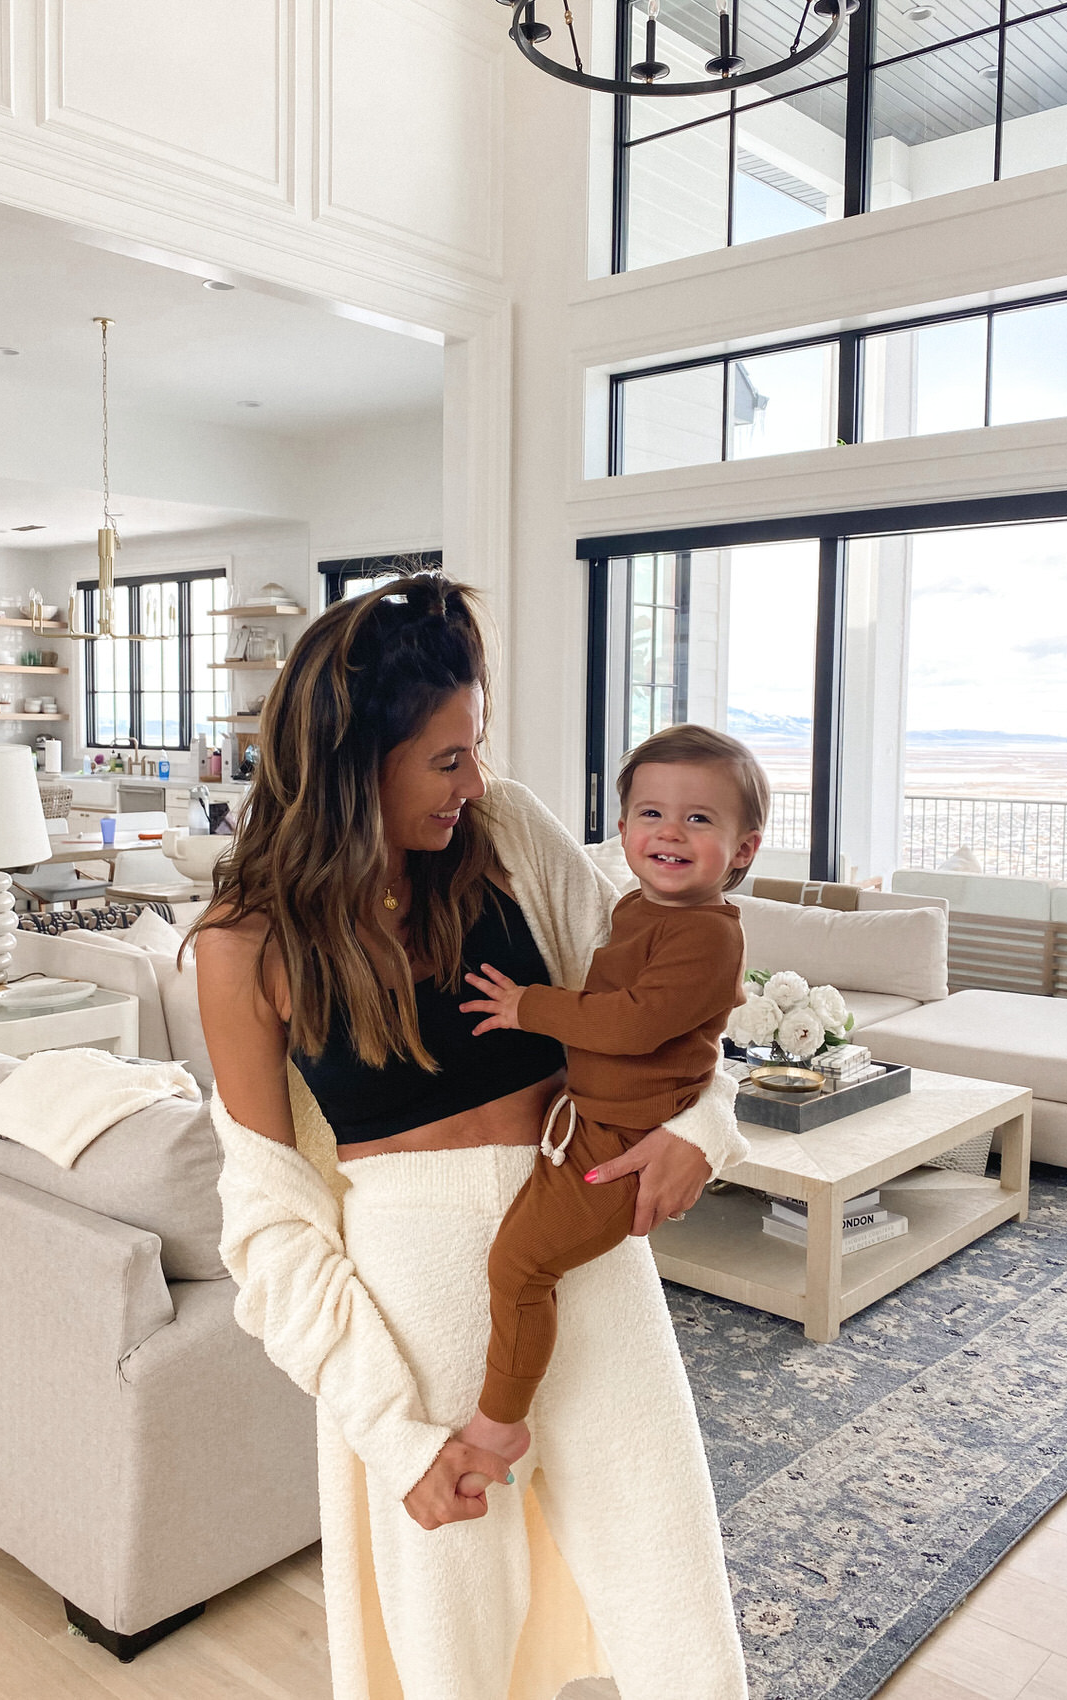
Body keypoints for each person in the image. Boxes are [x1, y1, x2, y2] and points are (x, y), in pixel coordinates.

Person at [193, 573, 750, 1700]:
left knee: (671, 1590)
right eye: (446, 760)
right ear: (357, 763)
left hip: (587, 1238)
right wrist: (392, 1435)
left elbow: (670, 982)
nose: (473, 780)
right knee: (451, 1648)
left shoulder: (505, 831)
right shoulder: (243, 941)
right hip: (419, 1302)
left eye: (475, 748)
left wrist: (707, 1122)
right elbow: (269, 1224)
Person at [453, 725, 766, 1477]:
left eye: (699, 819)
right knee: (517, 1264)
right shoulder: (639, 908)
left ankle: (499, 1423)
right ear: (620, 830)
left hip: (616, 1144)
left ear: (744, 849)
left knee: (520, 1268)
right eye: (651, 814)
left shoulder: (708, 935)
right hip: (584, 1125)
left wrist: (531, 1007)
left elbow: (630, 1023)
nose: (670, 832)